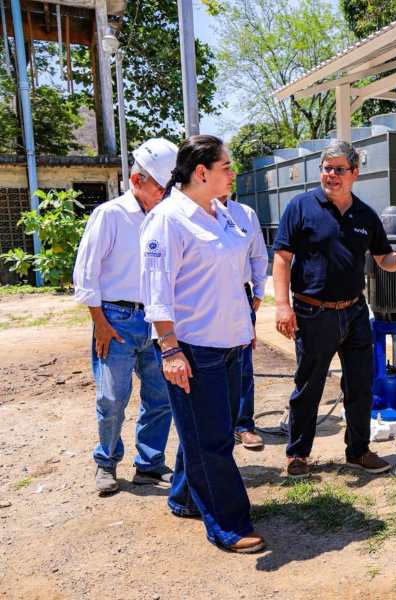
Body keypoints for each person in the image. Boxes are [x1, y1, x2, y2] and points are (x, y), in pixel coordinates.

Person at [139, 135, 264, 554]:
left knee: (207, 433)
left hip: (231, 345)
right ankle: (228, 523)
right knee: (210, 442)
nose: (233, 172)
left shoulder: (221, 214)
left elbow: (238, 269)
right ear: (202, 172)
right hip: (193, 350)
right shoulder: (168, 220)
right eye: (227, 166)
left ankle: (184, 497)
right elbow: (157, 292)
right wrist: (170, 349)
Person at [273, 139, 396, 479]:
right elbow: (282, 258)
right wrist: (282, 306)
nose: (332, 175)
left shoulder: (366, 215)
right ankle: (298, 454)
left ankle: (358, 451)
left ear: (355, 173)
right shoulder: (300, 207)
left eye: (339, 169)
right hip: (313, 313)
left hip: (354, 312)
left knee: (360, 385)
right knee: (309, 385)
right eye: (327, 168)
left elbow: (384, 258)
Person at [73, 138, 178, 496]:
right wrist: (100, 323)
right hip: (116, 319)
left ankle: (149, 465)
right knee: (112, 397)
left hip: (156, 319)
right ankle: (106, 462)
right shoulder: (110, 215)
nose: (166, 195)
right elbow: (86, 274)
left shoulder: (165, 219)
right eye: (161, 187)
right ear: (137, 181)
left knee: (160, 395)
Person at [218, 193, 269, 450]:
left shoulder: (245, 214)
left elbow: (258, 255)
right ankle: (219, 429)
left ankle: (243, 426)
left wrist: (258, 293)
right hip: (208, 295)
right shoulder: (192, 212)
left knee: (243, 364)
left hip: (241, 294)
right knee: (210, 364)